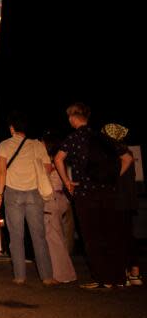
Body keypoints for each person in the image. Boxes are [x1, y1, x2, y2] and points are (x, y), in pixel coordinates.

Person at [55, 103, 125, 289]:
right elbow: (126, 158)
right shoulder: (102, 137)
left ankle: (102, 278)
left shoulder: (73, 138)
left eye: (69, 116)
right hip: (108, 191)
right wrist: (113, 177)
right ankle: (118, 277)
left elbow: (58, 159)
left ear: (73, 117)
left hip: (85, 192)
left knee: (92, 236)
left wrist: (67, 182)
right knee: (110, 233)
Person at [0, 113, 55, 285]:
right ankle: (47, 277)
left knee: (16, 236)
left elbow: (1, 171)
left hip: (13, 193)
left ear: (12, 128)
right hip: (34, 192)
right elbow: (48, 168)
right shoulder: (37, 145)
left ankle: (20, 276)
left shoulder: (5, 145)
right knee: (39, 236)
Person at [100, 124, 141, 286]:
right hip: (129, 200)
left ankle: (122, 272)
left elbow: (113, 177)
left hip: (117, 200)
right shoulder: (127, 150)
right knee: (128, 236)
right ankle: (135, 272)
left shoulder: (114, 152)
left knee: (117, 237)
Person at [41, 135, 77, 284]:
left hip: (51, 200)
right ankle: (64, 273)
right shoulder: (62, 161)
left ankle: (62, 275)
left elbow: (43, 178)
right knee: (58, 238)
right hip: (61, 200)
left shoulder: (51, 161)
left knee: (53, 240)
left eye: (42, 142)